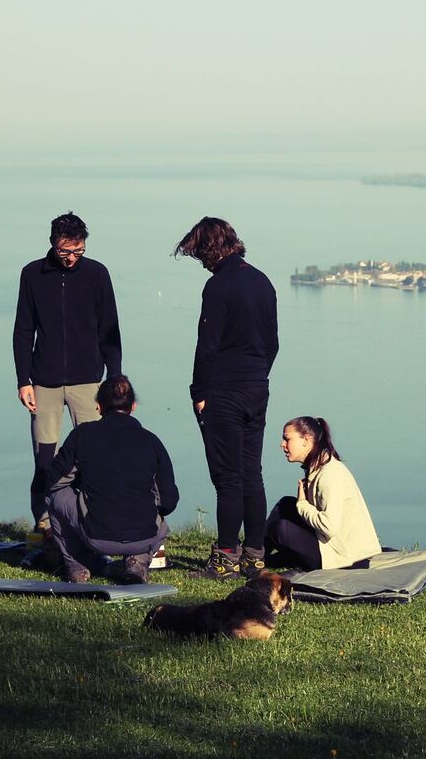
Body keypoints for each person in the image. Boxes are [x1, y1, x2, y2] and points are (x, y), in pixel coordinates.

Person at [174, 216, 280, 579]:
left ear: (209, 249)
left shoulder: (218, 287)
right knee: (253, 472)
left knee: (227, 477)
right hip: (256, 387)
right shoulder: (262, 281)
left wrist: (199, 392)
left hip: (224, 391)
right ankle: (255, 556)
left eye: (199, 254)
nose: (200, 263)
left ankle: (224, 560)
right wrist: (257, 375)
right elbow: (272, 343)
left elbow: (207, 346)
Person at [13, 211, 122, 530]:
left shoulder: (98, 274)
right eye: (65, 251)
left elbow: (110, 329)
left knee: (93, 456)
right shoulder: (32, 274)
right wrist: (23, 380)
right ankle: (45, 522)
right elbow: (23, 330)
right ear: (52, 244)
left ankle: (92, 519)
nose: (72, 258)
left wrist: (113, 381)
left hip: (89, 381)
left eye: (78, 251)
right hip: (43, 381)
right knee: (45, 457)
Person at [44, 375, 177, 584]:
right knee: (157, 514)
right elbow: (169, 501)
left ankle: (77, 566)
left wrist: (82, 485)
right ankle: (137, 563)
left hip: (97, 536)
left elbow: (52, 480)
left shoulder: (83, 435)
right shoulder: (152, 441)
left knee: (54, 495)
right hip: (144, 537)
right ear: (133, 406)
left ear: (98, 407)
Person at [266, 416, 381, 571]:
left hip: (346, 560)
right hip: (333, 547)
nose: (282, 445)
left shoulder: (329, 474)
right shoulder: (318, 466)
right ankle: (256, 555)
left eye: (287, 439)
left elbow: (329, 527)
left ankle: (259, 557)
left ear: (306, 440)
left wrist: (302, 504)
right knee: (286, 504)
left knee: (281, 529)